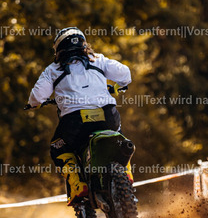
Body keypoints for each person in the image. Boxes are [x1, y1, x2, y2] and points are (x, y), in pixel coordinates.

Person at [28, 27, 132, 205]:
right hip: (108, 116)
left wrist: (33, 104)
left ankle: (78, 184)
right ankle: (127, 173)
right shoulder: (98, 59)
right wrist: (117, 85)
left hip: (75, 123)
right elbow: (125, 74)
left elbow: (37, 97)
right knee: (120, 139)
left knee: (58, 148)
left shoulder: (52, 70)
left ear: (59, 48)